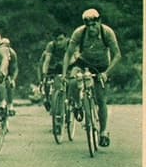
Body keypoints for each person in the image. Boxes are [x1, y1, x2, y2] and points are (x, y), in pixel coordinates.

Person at [62, 8, 121, 147]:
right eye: (88, 25)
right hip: (83, 63)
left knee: (101, 99)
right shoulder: (79, 33)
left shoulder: (107, 33)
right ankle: (77, 105)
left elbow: (117, 55)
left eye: (94, 24)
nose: (91, 28)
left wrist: (106, 73)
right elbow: (68, 54)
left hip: (102, 66)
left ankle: (103, 132)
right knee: (71, 82)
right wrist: (65, 74)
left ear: (99, 22)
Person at [39, 31, 69, 111]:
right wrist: (44, 75)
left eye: (61, 39)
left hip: (68, 65)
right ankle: (47, 99)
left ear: (66, 38)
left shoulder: (70, 44)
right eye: (56, 40)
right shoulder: (51, 45)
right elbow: (46, 61)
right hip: (54, 66)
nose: (58, 43)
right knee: (46, 81)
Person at [1, 38, 18, 116]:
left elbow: (15, 68)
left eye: (7, 46)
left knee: (10, 84)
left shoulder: (12, 54)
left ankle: (10, 104)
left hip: (9, 73)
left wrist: (12, 79)